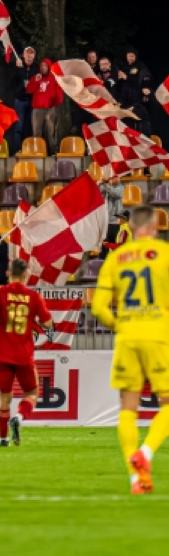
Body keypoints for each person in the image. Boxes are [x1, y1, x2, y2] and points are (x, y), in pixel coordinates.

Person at [91, 205, 169, 494]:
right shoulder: (164, 255)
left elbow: (98, 307)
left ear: (131, 228)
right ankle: (145, 454)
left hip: (127, 336)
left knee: (128, 407)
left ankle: (135, 479)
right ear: (154, 227)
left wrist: (120, 325)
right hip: (158, 335)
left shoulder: (115, 259)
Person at [0, 258, 54, 447]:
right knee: (32, 392)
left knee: (4, 398)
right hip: (24, 355)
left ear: (9, 273)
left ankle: (2, 439)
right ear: (25, 274)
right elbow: (48, 323)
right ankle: (19, 416)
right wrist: (34, 320)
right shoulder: (33, 296)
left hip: (3, 355)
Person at [26, 58, 63, 155]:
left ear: (49, 67)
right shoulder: (36, 77)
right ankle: (37, 151)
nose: (43, 68)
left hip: (50, 108)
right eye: (41, 66)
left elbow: (59, 93)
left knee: (50, 131)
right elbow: (29, 90)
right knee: (36, 131)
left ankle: (52, 151)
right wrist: (35, 81)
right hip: (37, 109)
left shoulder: (54, 78)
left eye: (45, 66)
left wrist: (56, 104)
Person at [100, 176, 124, 248]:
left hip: (115, 221)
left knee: (114, 243)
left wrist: (105, 184)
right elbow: (96, 191)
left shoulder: (121, 187)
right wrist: (100, 182)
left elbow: (116, 194)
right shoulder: (104, 187)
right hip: (105, 221)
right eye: (113, 177)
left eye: (117, 177)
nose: (116, 179)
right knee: (105, 245)